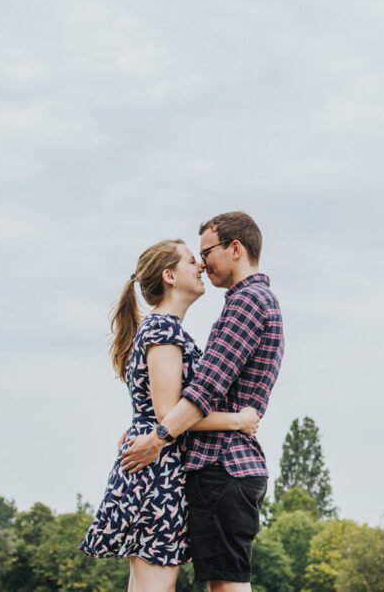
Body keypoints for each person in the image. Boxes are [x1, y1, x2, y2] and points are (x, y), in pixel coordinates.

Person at [80, 238, 261, 592]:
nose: (201, 267)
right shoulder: (164, 330)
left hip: (158, 468)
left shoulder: (163, 329)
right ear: (170, 276)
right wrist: (237, 420)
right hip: (158, 476)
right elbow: (168, 415)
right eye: (192, 261)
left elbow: (158, 410)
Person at [121, 212, 284, 592]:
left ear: (236, 249)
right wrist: (146, 424)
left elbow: (204, 389)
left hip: (223, 465)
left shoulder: (246, 303)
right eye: (195, 257)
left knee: (226, 586)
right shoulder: (246, 302)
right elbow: (185, 394)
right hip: (221, 465)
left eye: (206, 252)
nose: (203, 262)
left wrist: (157, 435)